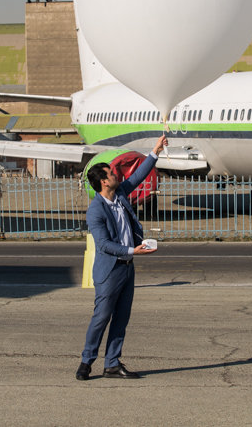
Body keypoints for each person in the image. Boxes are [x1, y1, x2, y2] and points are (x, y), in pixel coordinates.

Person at [76, 134, 168, 380]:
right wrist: (131, 250)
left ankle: (112, 363)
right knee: (101, 317)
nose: (116, 174)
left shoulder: (121, 194)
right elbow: (104, 244)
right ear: (104, 182)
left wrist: (155, 151)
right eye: (111, 173)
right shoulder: (95, 211)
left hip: (127, 268)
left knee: (121, 318)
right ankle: (86, 361)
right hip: (110, 270)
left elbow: (138, 176)